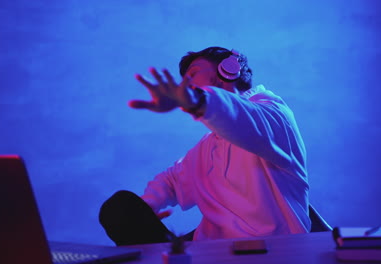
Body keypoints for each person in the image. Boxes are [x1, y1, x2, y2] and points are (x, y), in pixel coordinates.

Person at [99, 46, 311, 246]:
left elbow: (244, 119)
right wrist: (146, 208)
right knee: (119, 208)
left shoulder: (275, 115)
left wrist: (196, 101)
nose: (186, 83)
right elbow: (173, 179)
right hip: (208, 250)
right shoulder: (208, 145)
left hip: (268, 251)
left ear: (227, 69)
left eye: (192, 74)